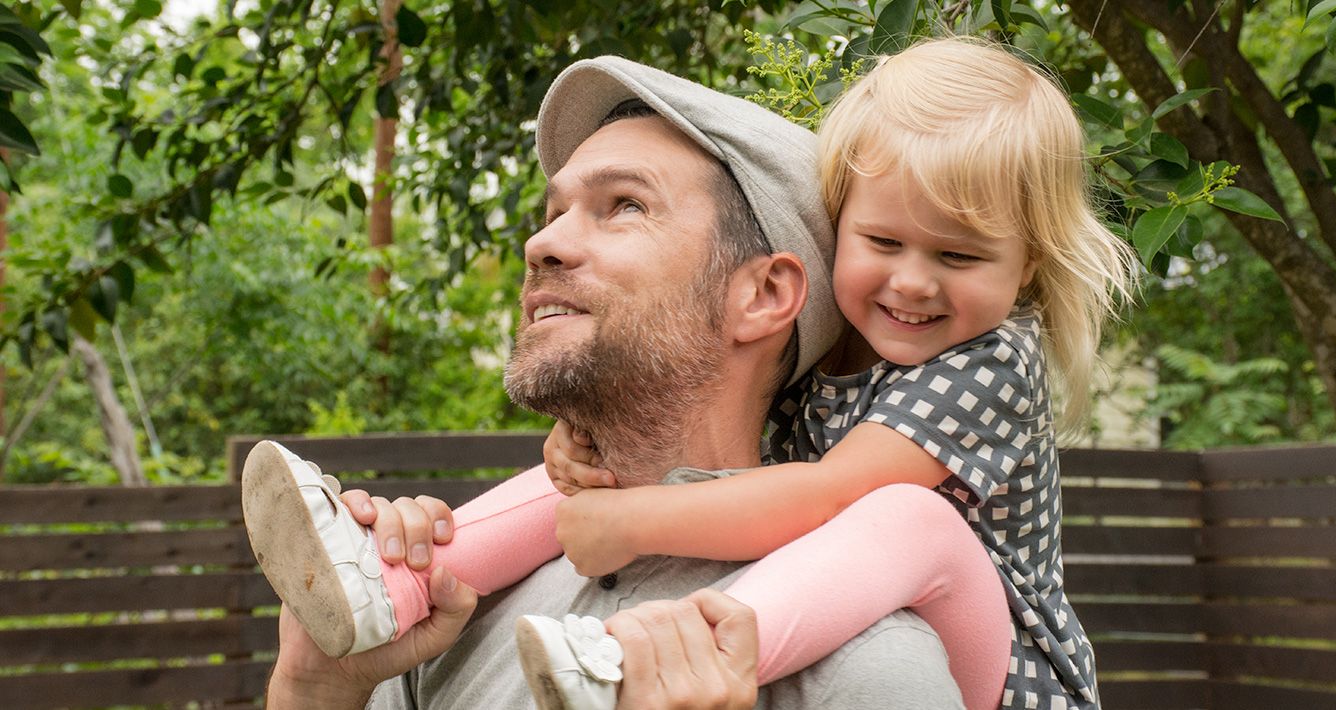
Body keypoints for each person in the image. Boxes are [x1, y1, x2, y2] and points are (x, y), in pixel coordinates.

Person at [253, 53, 967, 709]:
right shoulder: (448, 608)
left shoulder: (867, 668)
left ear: (762, 296)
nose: (542, 243)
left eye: (624, 205)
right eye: (553, 211)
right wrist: (318, 682)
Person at [528, 37, 1136, 710]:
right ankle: (410, 587)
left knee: (906, 515)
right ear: (840, 227)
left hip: (995, 673)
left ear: (1026, 265)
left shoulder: (990, 360)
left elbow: (833, 496)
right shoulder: (837, 340)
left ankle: (653, 657)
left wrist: (633, 520)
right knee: (548, 486)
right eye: (882, 242)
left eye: (958, 257)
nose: (911, 283)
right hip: (870, 626)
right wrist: (580, 443)